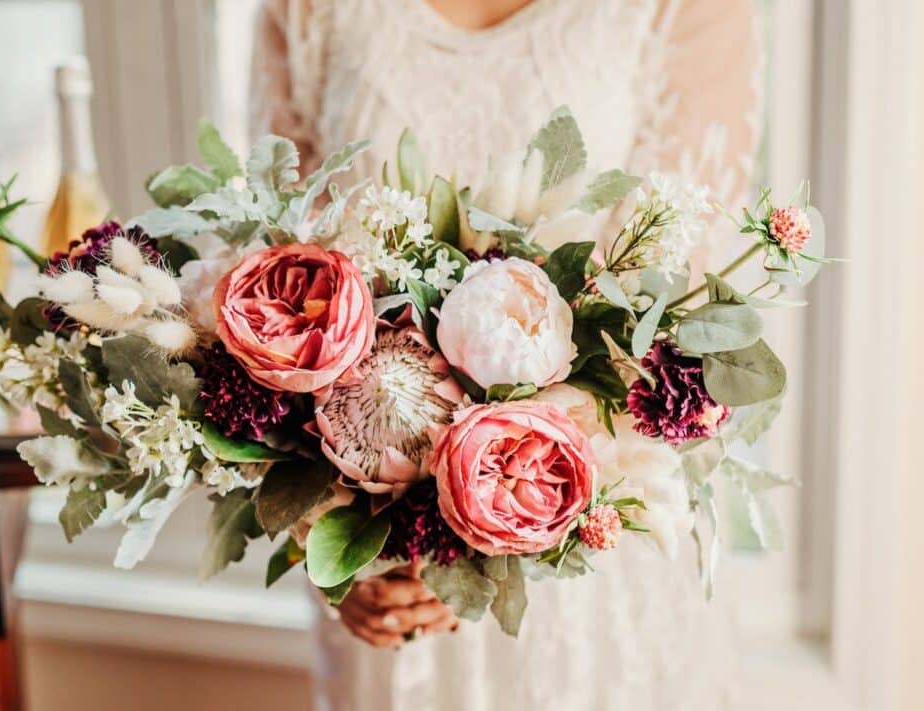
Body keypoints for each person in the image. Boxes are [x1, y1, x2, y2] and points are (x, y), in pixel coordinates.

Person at [249, 1, 760, 709]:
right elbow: (275, 276)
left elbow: (679, 314)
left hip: (587, 538)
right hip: (384, 556)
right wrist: (336, 550)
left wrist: (495, 501)